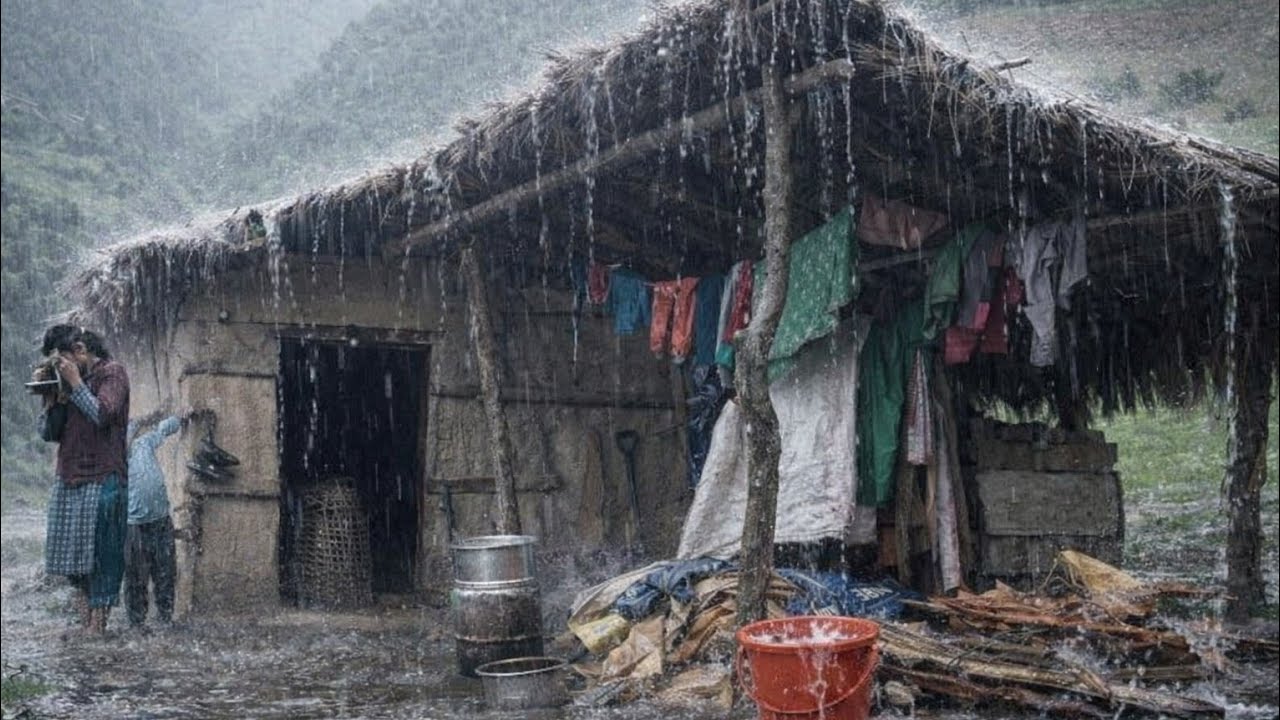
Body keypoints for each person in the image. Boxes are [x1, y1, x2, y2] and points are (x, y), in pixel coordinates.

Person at [37, 324, 130, 636]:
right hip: (69, 477)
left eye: (61, 359)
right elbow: (49, 434)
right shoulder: (66, 384)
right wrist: (52, 400)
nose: (60, 366)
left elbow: (103, 414)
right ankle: (86, 624)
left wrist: (76, 384)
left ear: (79, 350)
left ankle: (98, 627)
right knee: (73, 559)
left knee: (102, 555)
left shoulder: (112, 373)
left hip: (103, 478)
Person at [125, 409, 187, 629]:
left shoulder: (143, 443)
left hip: (161, 521)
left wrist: (179, 418)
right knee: (136, 577)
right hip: (134, 526)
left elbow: (163, 429)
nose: (129, 435)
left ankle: (165, 618)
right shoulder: (113, 458)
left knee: (166, 572)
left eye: (130, 430)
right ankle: (137, 624)